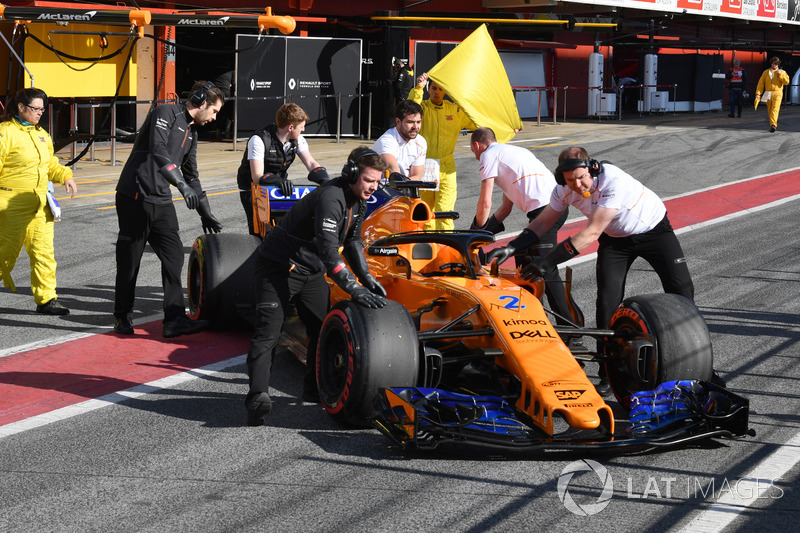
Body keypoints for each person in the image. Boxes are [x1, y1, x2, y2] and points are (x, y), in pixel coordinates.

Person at [485, 146, 697, 394]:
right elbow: (542, 222)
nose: (577, 185)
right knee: (607, 303)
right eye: (570, 180)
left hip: (653, 230)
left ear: (592, 169)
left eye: (581, 177)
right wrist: (511, 247)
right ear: (561, 179)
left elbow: (591, 233)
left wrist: (548, 261)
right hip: (615, 239)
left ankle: (697, 359)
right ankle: (609, 373)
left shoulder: (612, 180)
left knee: (682, 290)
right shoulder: (562, 190)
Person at [245, 147, 388, 426]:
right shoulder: (332, 198)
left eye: (377, 181)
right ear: (352, 174)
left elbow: (354, 242)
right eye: (369, 180)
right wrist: (353, 288)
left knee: (322, 330)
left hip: (311, 271)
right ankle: (257, 397)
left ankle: (314, 389)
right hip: (278, 266)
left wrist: (366, 277)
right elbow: (329, 251)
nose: (374, 186)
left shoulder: (358, 201)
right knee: (268, 333)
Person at [114, 80, 224, 337]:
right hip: (135, 196)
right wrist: (181, 186)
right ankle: (122, 317)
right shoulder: (166, 112)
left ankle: (174, 320)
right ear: (201, 101)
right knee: (130, 262)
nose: (215, 118)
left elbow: (192, 175)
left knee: (174, 258)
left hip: (161, 201)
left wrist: (204, 210)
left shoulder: (193, 133)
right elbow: (158, 150)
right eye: (215, 111)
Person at [469, 127, 572, 323]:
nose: (475, 155)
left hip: (546, 210)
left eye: (473, 150)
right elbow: (505, 209)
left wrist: (474, 235)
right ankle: (533, 320)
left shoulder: (488, 155)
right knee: (525, 267)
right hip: (551, 207)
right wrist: (482, 235)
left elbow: (485, 202)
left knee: (545, 269)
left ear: (476, 145)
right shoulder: (512, 154)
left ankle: (572, 331)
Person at [0, 88, 77, 315]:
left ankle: (47, 300)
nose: (40, 113)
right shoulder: (5, 133)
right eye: (35, 109)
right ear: (21, 108)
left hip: (40, 205)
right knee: (5, 254)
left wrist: (65, 176)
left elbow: (50, 164)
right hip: (10, 205)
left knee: (43, 253)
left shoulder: (42, 133)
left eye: (42, 109)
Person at [236, 103, 329, 236]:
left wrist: (325, 179)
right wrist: (278, 181)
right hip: (252, 188)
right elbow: (257, 176)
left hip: (279, 184)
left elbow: (311, 162)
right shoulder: (259, 140)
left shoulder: (297, 140)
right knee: (262, 233)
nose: (303, 130)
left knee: (285, 228)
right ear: (290, 127)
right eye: (301, 127)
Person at [409, 72, 476, 230]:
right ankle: (427, 245)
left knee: (445, 211)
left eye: (440, 89)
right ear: (428, 89)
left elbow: (478, 123)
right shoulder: (422, 108)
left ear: (445, 91)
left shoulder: (455, 111)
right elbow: (410, 110)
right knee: (425, 211)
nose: (437, 92)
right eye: (433, 88)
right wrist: (418, 88)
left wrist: (504, 127)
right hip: (426, 165)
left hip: (447, 167)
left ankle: (445, 247)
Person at [372, 99, 427, 181]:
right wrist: (405, 183)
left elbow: (416, 176)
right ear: (398, 121)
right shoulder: (387, 140)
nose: (415, 127)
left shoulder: (421, 141)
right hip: (379, 189)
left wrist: (405, 184)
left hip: (402, 188)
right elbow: (393, 172)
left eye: (418, 122)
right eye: (410, 122)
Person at [755, 57, 790, 132]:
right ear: (771, 63)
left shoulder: (782, 72)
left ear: (778, 64)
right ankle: (772, 124)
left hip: (778, 93)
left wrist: (780, 75)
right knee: (770, 110)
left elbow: (786, 82)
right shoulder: (765, 72)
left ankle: (773, 125)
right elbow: (761, 84)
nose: (774, 65)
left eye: (776, 64)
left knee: (775, 109)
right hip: (768, 93)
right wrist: (758, 94)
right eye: (773, 63)